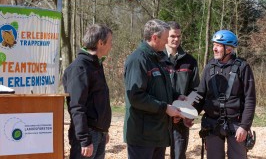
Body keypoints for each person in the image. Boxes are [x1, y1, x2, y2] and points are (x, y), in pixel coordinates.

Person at [123, 19, 186, 159]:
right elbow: (136, 97)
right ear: (154, 38)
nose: (166, 43)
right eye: (165, 39)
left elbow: (162, 88)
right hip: (142, 136)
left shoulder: (158, 59)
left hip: (158, 133)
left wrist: (177, 97)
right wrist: (165, 108)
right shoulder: (138, 60)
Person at [196, 30, 256, 159]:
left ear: (228, 49)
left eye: (218, 45)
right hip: (212, 123)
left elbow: (250, 99)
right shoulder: (209, 67)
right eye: (214, 45)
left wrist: (245, 126)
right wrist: (189, 113)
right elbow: (200, 94)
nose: (214, 48)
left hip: (236, 124)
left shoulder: (243, 67)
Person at [63, 24, 113, 159]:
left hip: (99, 133)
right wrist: (85, 139)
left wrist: (104, 130)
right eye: (110, 42)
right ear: (100, 43)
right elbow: (77, 107)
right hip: (88, 135)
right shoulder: (80, 68)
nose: (111, 46)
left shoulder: (96, 65)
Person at [164, 21, 200, 159]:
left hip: (181, 117)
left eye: (179, 36)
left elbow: (196, 90)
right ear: (166, 36)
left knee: (179, 155)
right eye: (173, 36)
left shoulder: (190, 61)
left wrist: (185, 113)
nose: (176, 39)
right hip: (160, 116)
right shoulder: (157, 59)